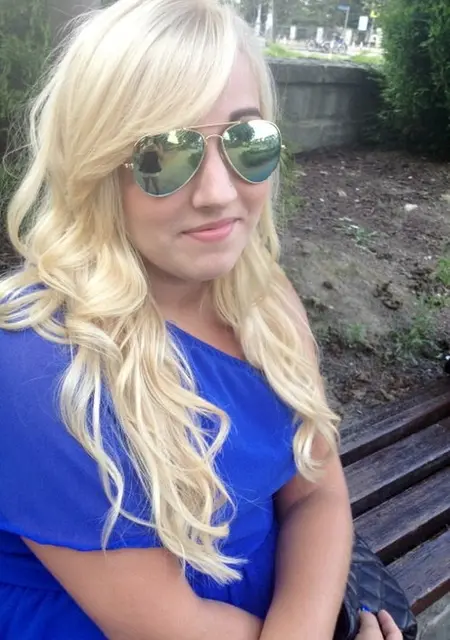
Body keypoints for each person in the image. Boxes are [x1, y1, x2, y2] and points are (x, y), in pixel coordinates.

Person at [0, 1, 402, 638]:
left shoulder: (265, 299)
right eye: (164, 153)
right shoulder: (37, 368)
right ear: (95, 168)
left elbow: (316, 494)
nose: (219, 192)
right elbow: (164, 624)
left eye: (247, 141)